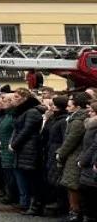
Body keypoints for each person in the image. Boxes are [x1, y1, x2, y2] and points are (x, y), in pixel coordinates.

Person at [57, 92, 92, 222]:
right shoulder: (76, 118)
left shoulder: (77, 121)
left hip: (74, 156)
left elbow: (70, 141)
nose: (67, 107)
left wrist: (60, 154)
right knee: (72, 185)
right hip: (74, 155)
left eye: (70, 104)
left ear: (77, 106)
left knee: (73, 186)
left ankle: (75, 212)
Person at [9, 87, 44, 215]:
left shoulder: (32, 112)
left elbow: (26, 131)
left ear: (25, 99)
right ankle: (27, 204)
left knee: (32, 179)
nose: (14, 100)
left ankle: (35, 206)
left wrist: (14, 144)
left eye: (17, 97)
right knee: (25, 177)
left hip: (30, 149)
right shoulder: (22, 111)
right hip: (23, 148)